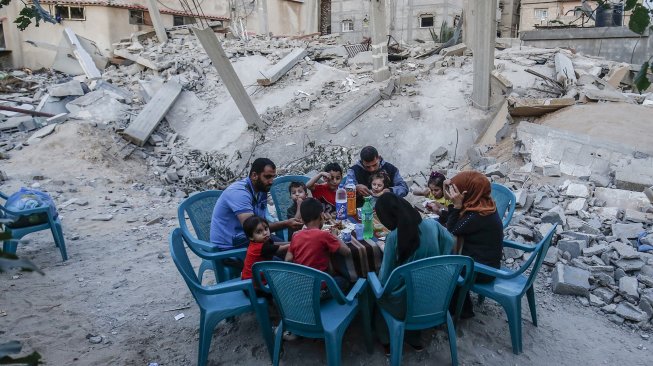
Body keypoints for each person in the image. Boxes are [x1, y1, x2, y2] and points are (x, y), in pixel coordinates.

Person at [374, 193, 454, 354]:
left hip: (405, 302)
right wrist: (436, 260)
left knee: (374, 291)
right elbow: (450, 241)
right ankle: (413, 338)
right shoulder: (432, 225)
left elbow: (384, 279)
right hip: (434, 294)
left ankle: (387, 341)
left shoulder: (393, 237)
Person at [444, 171, 503, 319]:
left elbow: (451, 231)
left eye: (456, 190)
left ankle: (462, 310)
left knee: (440, 263)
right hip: (487, 262)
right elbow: (459, 223)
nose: (453, 193)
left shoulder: (477, 216)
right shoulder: (483, 206)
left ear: (466, 192)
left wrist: (456, 206)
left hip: (482, 271)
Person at [210, 158, 303, 251]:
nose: (271, 181)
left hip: (253, 240)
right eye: (267, 177)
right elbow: (254, 229)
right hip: (231, 249)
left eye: (273, 177)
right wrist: (287, 223)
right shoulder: (239, 193)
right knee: (285, 259)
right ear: (254, 175)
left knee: (297, 249)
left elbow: (261, 227)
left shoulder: (261, 191)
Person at [285, 198, 351, 295]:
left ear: (302, 220)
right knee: (345, 281)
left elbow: (288, 259)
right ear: (322, 215)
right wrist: (335, 236)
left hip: (300, 286)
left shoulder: (296, 236)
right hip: (317, 289)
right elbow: (347, 252)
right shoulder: (324, 235)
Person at [241, 216, 289, 297]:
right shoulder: (261, 248)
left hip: (249, 281)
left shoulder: (260, 242)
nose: (265, 233)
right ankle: (273, 308)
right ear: (251, 237)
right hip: (255, 288)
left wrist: (290, 242)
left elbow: (275, 245)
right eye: (259, 232)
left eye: (266, 228)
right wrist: (297, 242)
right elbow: (282, 249)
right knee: (282, 290)